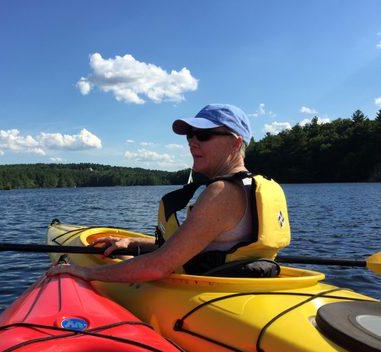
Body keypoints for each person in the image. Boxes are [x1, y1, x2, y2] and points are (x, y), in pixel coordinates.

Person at [47, 104, 290, 281]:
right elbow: (197, 248)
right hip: (245, 290)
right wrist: (132, 242)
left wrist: (85, 273)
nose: (192, 142)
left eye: (204, 135)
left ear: (236, 143)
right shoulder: (261, 186)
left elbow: (158, 267)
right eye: (190, 135)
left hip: (207, 303)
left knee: (120, 266)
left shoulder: (221, 192)